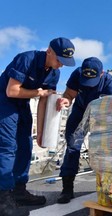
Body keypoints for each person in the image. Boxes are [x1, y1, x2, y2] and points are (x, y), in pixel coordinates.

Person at [0, 37, 75, 216]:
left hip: (23, 103)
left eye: (65, 62)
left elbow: (43, 102)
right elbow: (12, 90)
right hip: (4, 101)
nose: (61, 65)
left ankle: (19, 191)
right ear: (49, 51)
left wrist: (41, 133)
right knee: (8, 148)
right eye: (59, 60)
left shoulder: (54, 73)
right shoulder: (26, 59)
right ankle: (3, 196)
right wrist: (38, 92)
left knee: (26, 146)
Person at [56, 57, 112, 204]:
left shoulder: (110, 84)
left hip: (102, 116)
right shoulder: (76, 74)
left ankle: (109, 187)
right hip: (80, 112)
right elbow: (69, 94)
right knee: (72, 147)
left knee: (105, 150)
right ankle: (67, 189)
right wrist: (66, 100)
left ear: (102, 74)